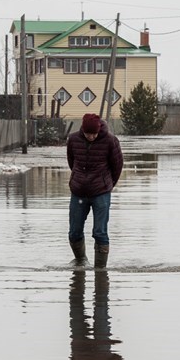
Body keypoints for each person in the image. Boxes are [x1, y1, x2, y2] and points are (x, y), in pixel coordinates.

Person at [67, 113, 123, 268]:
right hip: (78, 192)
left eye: (94, 134)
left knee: (100, 232)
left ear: (99, 130)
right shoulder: (73, 140)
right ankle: (81, 261)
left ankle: (100, 271)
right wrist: (79, 178)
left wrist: (108, 185)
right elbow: (72, 162)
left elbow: (117, 166)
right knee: (74, 232)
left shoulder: (111, 141)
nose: (91, 137)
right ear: (82, 131)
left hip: (101, 193)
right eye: (88, 134)